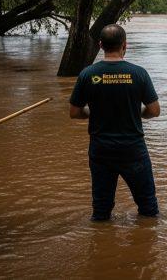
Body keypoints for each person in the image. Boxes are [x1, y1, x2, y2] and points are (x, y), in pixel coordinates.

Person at [69, 24, 161, 221]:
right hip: (133, 149)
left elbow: (74, 112)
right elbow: (154, 111)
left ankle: (100, 247)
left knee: (101, 210)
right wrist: (137, 113)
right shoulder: (139, 74)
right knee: (148, 207)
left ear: (101, 45)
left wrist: (92, 113)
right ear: (124, 45)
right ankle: (145, 246)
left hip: (101, 149)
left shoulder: (87, 74)